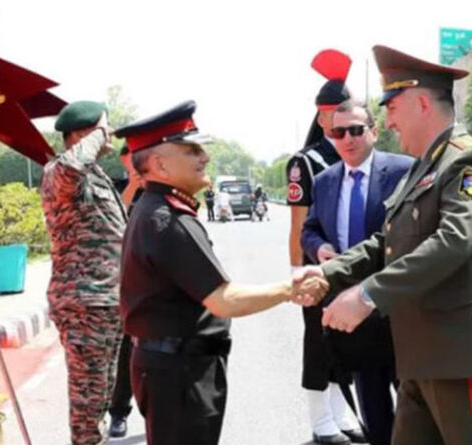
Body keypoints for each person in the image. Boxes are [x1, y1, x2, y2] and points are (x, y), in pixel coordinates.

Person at [297, 45, 472, 445]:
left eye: (392, 106)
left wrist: (366, 295)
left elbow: (453, 242)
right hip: (420, 356)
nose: (388, 121)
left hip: (460, 357)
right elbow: (388, 241)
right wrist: (327, 272)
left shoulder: (468, 162)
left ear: (421, 103)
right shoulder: (424, 167)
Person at [115, 100, 323, 445]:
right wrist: (291, 289)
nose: (204, 157)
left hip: (171, 367)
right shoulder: (168, 219)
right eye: (191, 150)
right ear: (160, 164)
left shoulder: (154, 208)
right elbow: (224, 300)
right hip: (178, 372)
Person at [301, 99, 413, 445]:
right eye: (339, 132)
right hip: (351, 310)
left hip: (397, 305)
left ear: (374, 132)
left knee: (415, 407)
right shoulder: (324, 181)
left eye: (355, 130)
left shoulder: (404, 170)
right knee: (372, 404)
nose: (347, 138)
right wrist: (319, 248)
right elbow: (309, 229)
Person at [287, 49, 364, 445]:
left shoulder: (358, 156)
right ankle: (320, 421)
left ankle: (341, 415)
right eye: (334, 113)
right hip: (316, 269)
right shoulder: (307, 162)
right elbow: (298, 225)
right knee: (318, 344)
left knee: (345, 343)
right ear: (320, 118)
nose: (342, 122)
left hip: (350, 268)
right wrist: (295, 273)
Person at [40, 101, 126, 445]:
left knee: (101, 391)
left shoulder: (95, 175)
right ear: (81, 135)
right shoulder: (59, 172)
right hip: (84, 300)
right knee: (87, 399)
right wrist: (99, 133)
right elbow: (71, 165)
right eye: (104, 127)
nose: (110, 133)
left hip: (106, 299)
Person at [107, 145, 146, 438]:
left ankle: (159, 413)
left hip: (157, 279)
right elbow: (114, 219)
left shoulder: (163, 187)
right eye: (129, 160)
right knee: (125, 351)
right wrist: (133, 185)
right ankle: (119, 412)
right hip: (123, 280)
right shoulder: (115, 188)